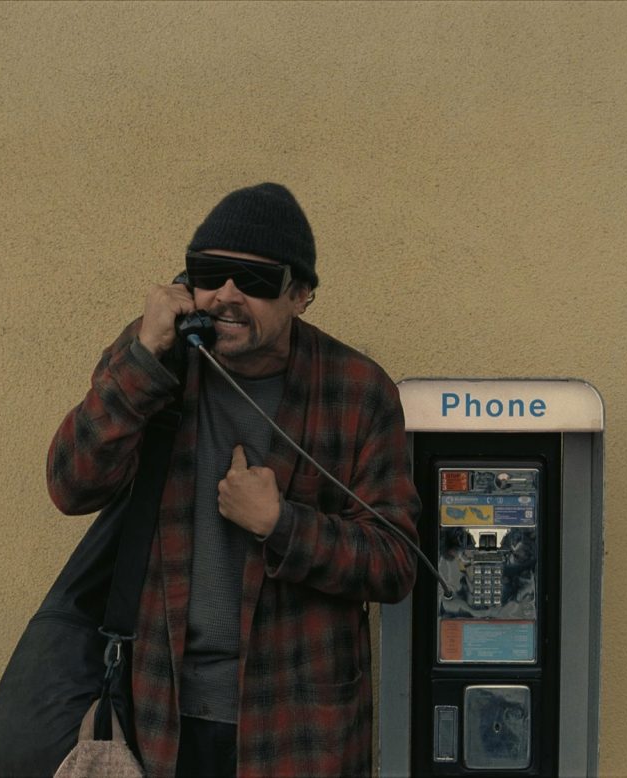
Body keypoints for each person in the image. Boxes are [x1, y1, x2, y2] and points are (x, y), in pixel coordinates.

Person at [46, 183, 420, 778]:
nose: (225, 295)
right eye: (207, 274)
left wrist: (282, 525)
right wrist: (144, 357)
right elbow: (71, 484)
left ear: (300, 295)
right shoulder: (158, 360)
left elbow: (395, 562)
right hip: (162, 718)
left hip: (298, 728)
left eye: (254, 280)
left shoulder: (357, 391)